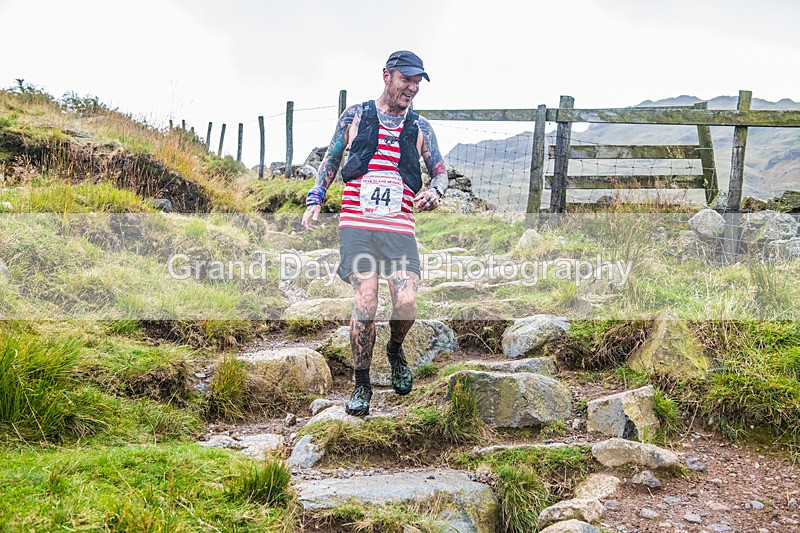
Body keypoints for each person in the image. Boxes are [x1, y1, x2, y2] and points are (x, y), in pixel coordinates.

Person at [302, 50, 449, 416]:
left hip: (399, 227)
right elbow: (332, 158)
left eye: (418, 82)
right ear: (387, 76)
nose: (412, 88)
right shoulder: (355, 115)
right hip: (357, 223)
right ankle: (361, 382)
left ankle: (395, 349)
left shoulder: (421, 127)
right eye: (406, 80)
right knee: (366, 298)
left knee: (406, 302)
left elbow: (440, 170)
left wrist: (436, 191)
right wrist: (316, 196)